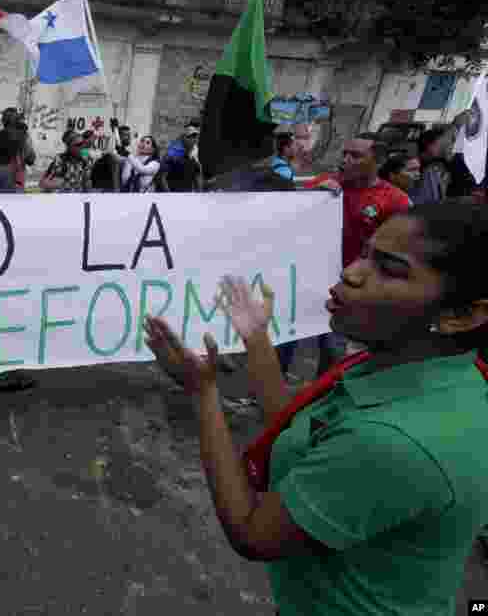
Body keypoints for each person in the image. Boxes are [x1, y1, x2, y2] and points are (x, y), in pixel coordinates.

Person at [144, 201, 488, 616]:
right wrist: (256, 337)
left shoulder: (394, 441)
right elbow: (296, 425)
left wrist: (202, 392)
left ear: (462, 315)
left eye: (390, 269)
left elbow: (253, 532)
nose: (351, 272)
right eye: (365, 253)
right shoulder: (425, 373)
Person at [306, 135, 411, 374]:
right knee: (286, 341)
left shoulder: (395, 200)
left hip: (351, 290)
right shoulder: (323, 184)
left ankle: (322, 397)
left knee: (334, 352)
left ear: (379, 161)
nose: (345, 160)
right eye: (344, 153)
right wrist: (312, 197)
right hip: (306, 280)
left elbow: (400, 248)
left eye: (355, 155)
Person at [157, 120, 203, 192]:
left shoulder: (194, 161)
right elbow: (162, 178)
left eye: (195, 137)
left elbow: (198, 180)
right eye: (190, 137)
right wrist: (169, 195)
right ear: (183, 138)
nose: (194, 139)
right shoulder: (171, 157)